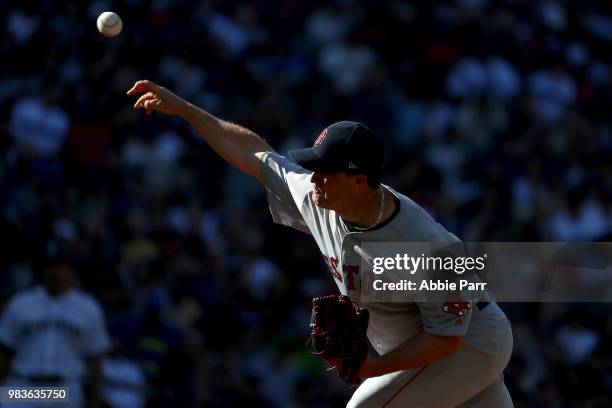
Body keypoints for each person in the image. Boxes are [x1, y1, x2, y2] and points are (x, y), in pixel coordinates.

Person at [126, 80, 514, 407]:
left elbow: (446, 339)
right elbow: (253, 153)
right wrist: (186, 110)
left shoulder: (426, 247)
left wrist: (374, 367)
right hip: (429, 342)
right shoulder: (319, 197)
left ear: (359, 181)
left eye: (324, 173)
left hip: (468, 341)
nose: (313, 179)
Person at [0, 244, 111, 408]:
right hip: (23, 384)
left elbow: (95, 356)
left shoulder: (88, 307)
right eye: (50, 266)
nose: (55, 272)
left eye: (61, 267)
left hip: (65, 386)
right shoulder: (20, 303)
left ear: (71, 270)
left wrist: (96, 397)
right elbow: (5, 351)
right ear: (42, 270)